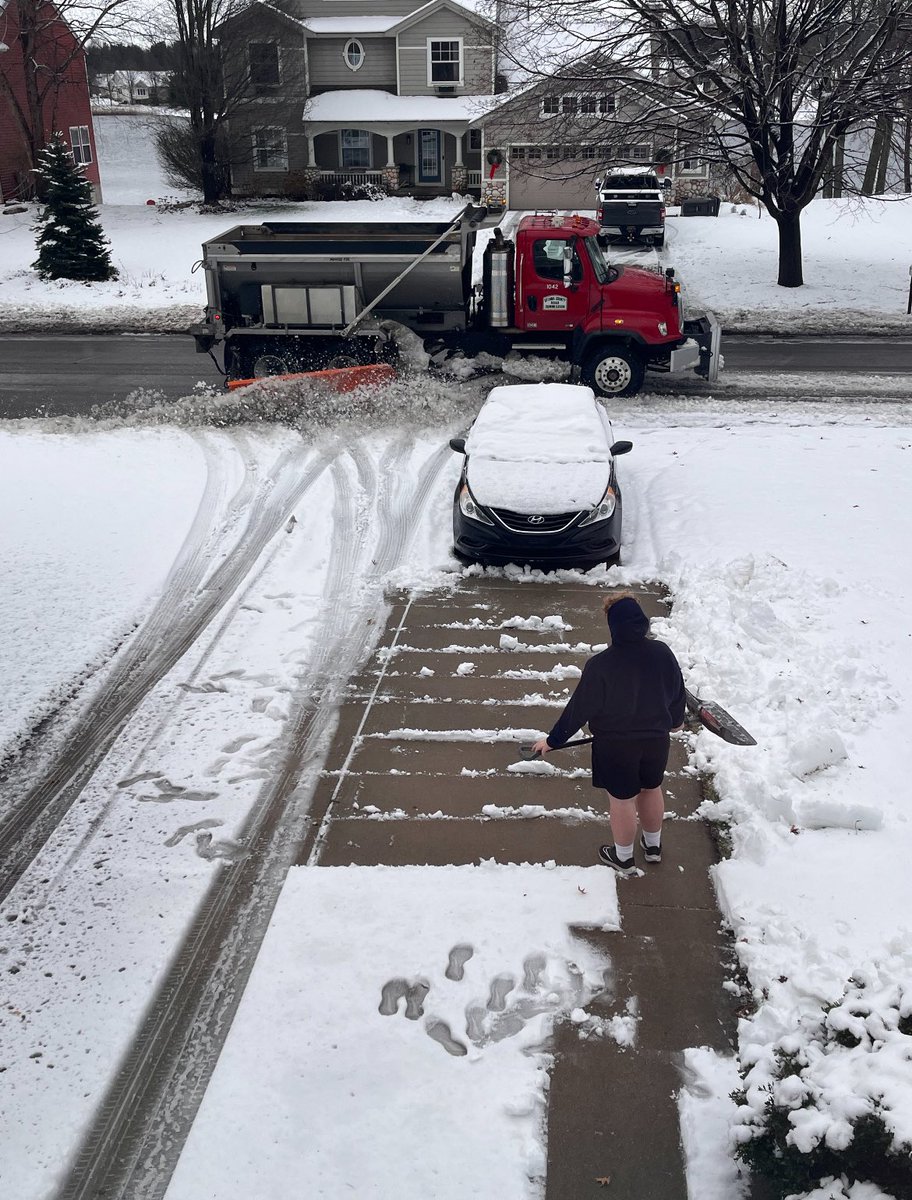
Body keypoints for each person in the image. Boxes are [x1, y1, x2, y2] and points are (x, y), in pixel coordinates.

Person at [529, 593, 685, 877]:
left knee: (622, 799)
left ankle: (623, 858)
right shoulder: (663, 653)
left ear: (613, 627)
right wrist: (675, 721)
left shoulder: (601, 665)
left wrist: (553, 741)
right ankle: (653, 847)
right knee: (651, 788)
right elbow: (676, 691)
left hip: (615, 747)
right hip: (656, 741)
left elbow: (578, 710)